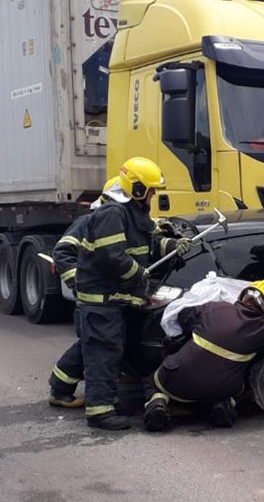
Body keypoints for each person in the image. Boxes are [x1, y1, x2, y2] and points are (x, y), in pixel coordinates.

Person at [74, 157, 192, 430]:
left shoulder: (133, 213)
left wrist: (172, 244)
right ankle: (100, 413)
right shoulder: (112, 214)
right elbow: (112, 258)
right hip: (102, 301)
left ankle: (104, 404)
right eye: (151, 190)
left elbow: (148, 242)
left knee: (112, 352)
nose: (153, 196)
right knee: (103, 355)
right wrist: (140, 274)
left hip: (116, 301)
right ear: (137, 189)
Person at [142, 280, 264, 432]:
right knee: (244, 384)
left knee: (151, 381)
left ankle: (157, 403)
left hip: (175, 380)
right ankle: (224, 404)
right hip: (220, 389)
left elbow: (183, 316)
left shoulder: (214, 307)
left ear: (242, 297)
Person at [47, 176, 119, 409]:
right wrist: (79, 284)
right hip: (92, 297)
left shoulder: (113, 221)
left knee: (89, 343)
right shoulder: (89, 221)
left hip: (103, 296)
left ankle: (60, 386)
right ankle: (60, 390)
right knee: (92, 344)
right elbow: (63, 251)